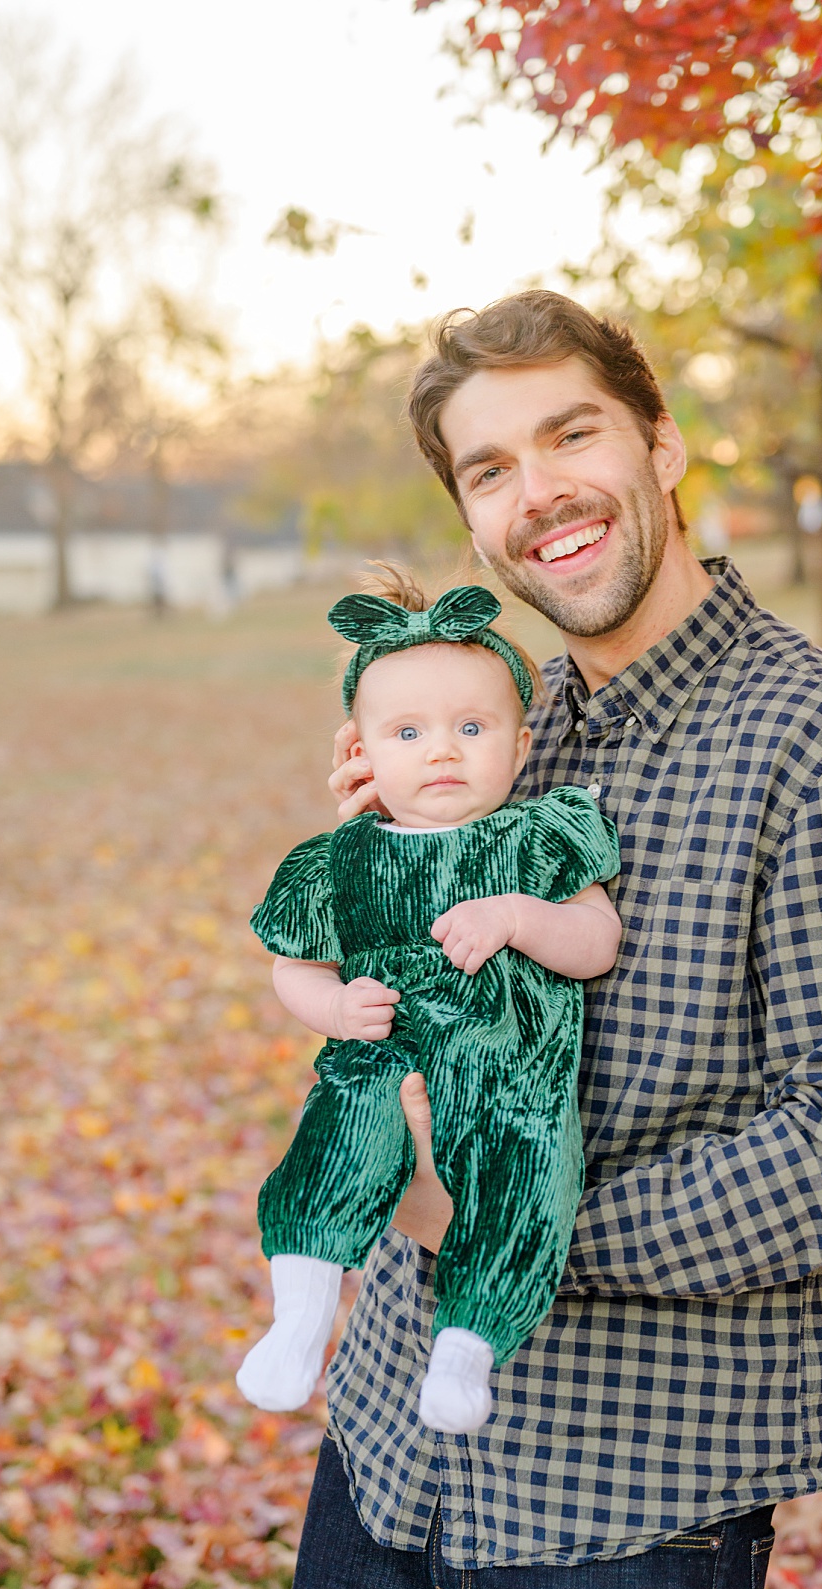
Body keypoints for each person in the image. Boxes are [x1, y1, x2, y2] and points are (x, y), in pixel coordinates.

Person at [281, 290, 822, 1589]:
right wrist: (369, 871)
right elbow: (401, 1040)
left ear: (661, 438)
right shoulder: (505, 725)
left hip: (624, 1518)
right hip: (388, 1465)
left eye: (571, 433)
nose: (542, 494)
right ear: (470, 520)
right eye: (490, 468)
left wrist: (510, 1231)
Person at [237, 577, 621, 1435]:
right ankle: (300, 1314)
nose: (442, 751)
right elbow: (292, 966)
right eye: (408, 733)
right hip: (380, 1056)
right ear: (363, 750)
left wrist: (519, 916)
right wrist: (335, 1008)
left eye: (472, 729)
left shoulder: (537, 836)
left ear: (521, 748)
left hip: (510, 1074)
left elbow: (598, 939)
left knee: (520, 1184)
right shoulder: (343, 856)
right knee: (337, 1143)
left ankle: (467, 1346)